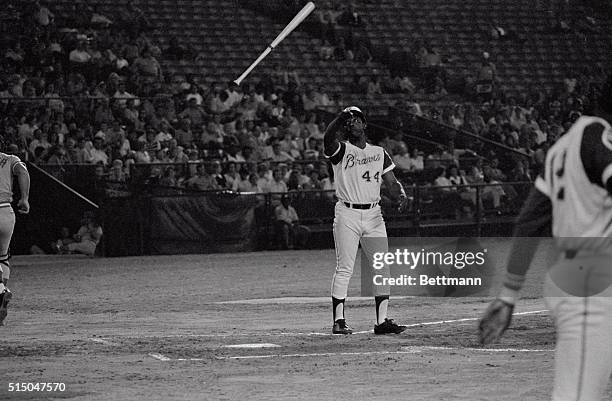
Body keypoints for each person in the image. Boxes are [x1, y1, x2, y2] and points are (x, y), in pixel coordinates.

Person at [478, 76, 612, 401]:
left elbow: (529, 221)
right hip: (589, 282)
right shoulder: (600, 136)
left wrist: (509, 295)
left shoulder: (561, 147)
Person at [324, 106, 409, 335]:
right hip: (347, 213)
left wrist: (400, 194)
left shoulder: (379, 152)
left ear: (365, 124)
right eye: (348, 121)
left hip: (374, 214)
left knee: (382, 267)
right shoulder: (341, 150)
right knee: (345, 268)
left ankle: (382, 322)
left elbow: (391, 182)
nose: (352, 123)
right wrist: (340, 117)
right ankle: (339, 321)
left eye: (356, 120)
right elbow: (327, 138)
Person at [0, 149, 30, 325]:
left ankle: (1, 289)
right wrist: (25, 198)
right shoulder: (10, 159)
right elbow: (23, 172)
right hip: (6, 212)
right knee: (2, 256)